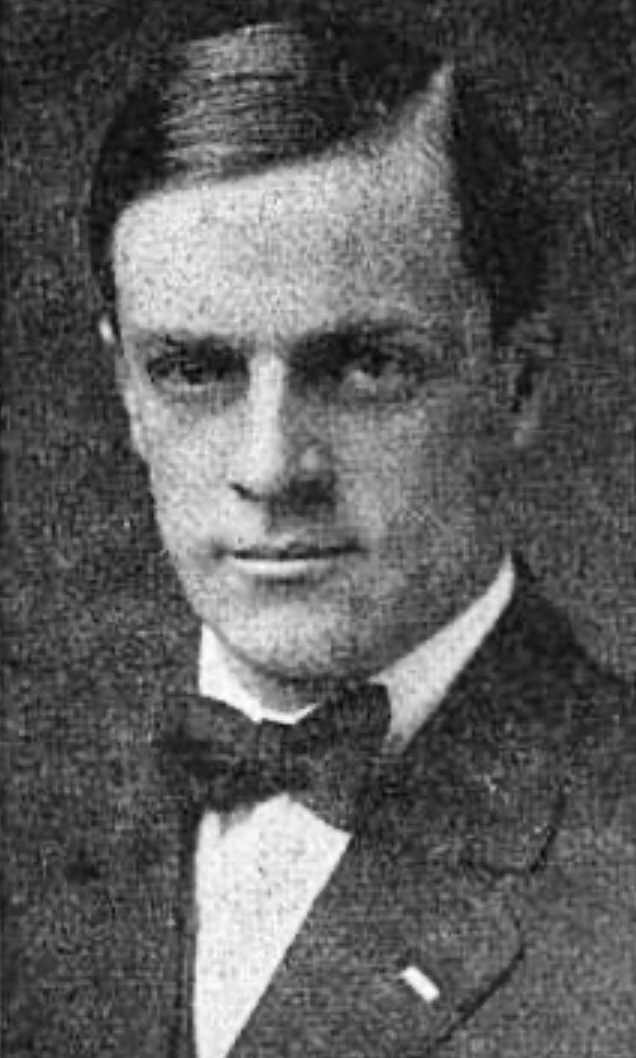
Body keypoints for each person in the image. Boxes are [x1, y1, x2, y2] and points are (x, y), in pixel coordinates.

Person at [4, 3, 635, 1056]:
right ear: (126, 391)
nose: (269, 469)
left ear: (517, 383)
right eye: (193, 370)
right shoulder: (35, 820)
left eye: (366, 366)